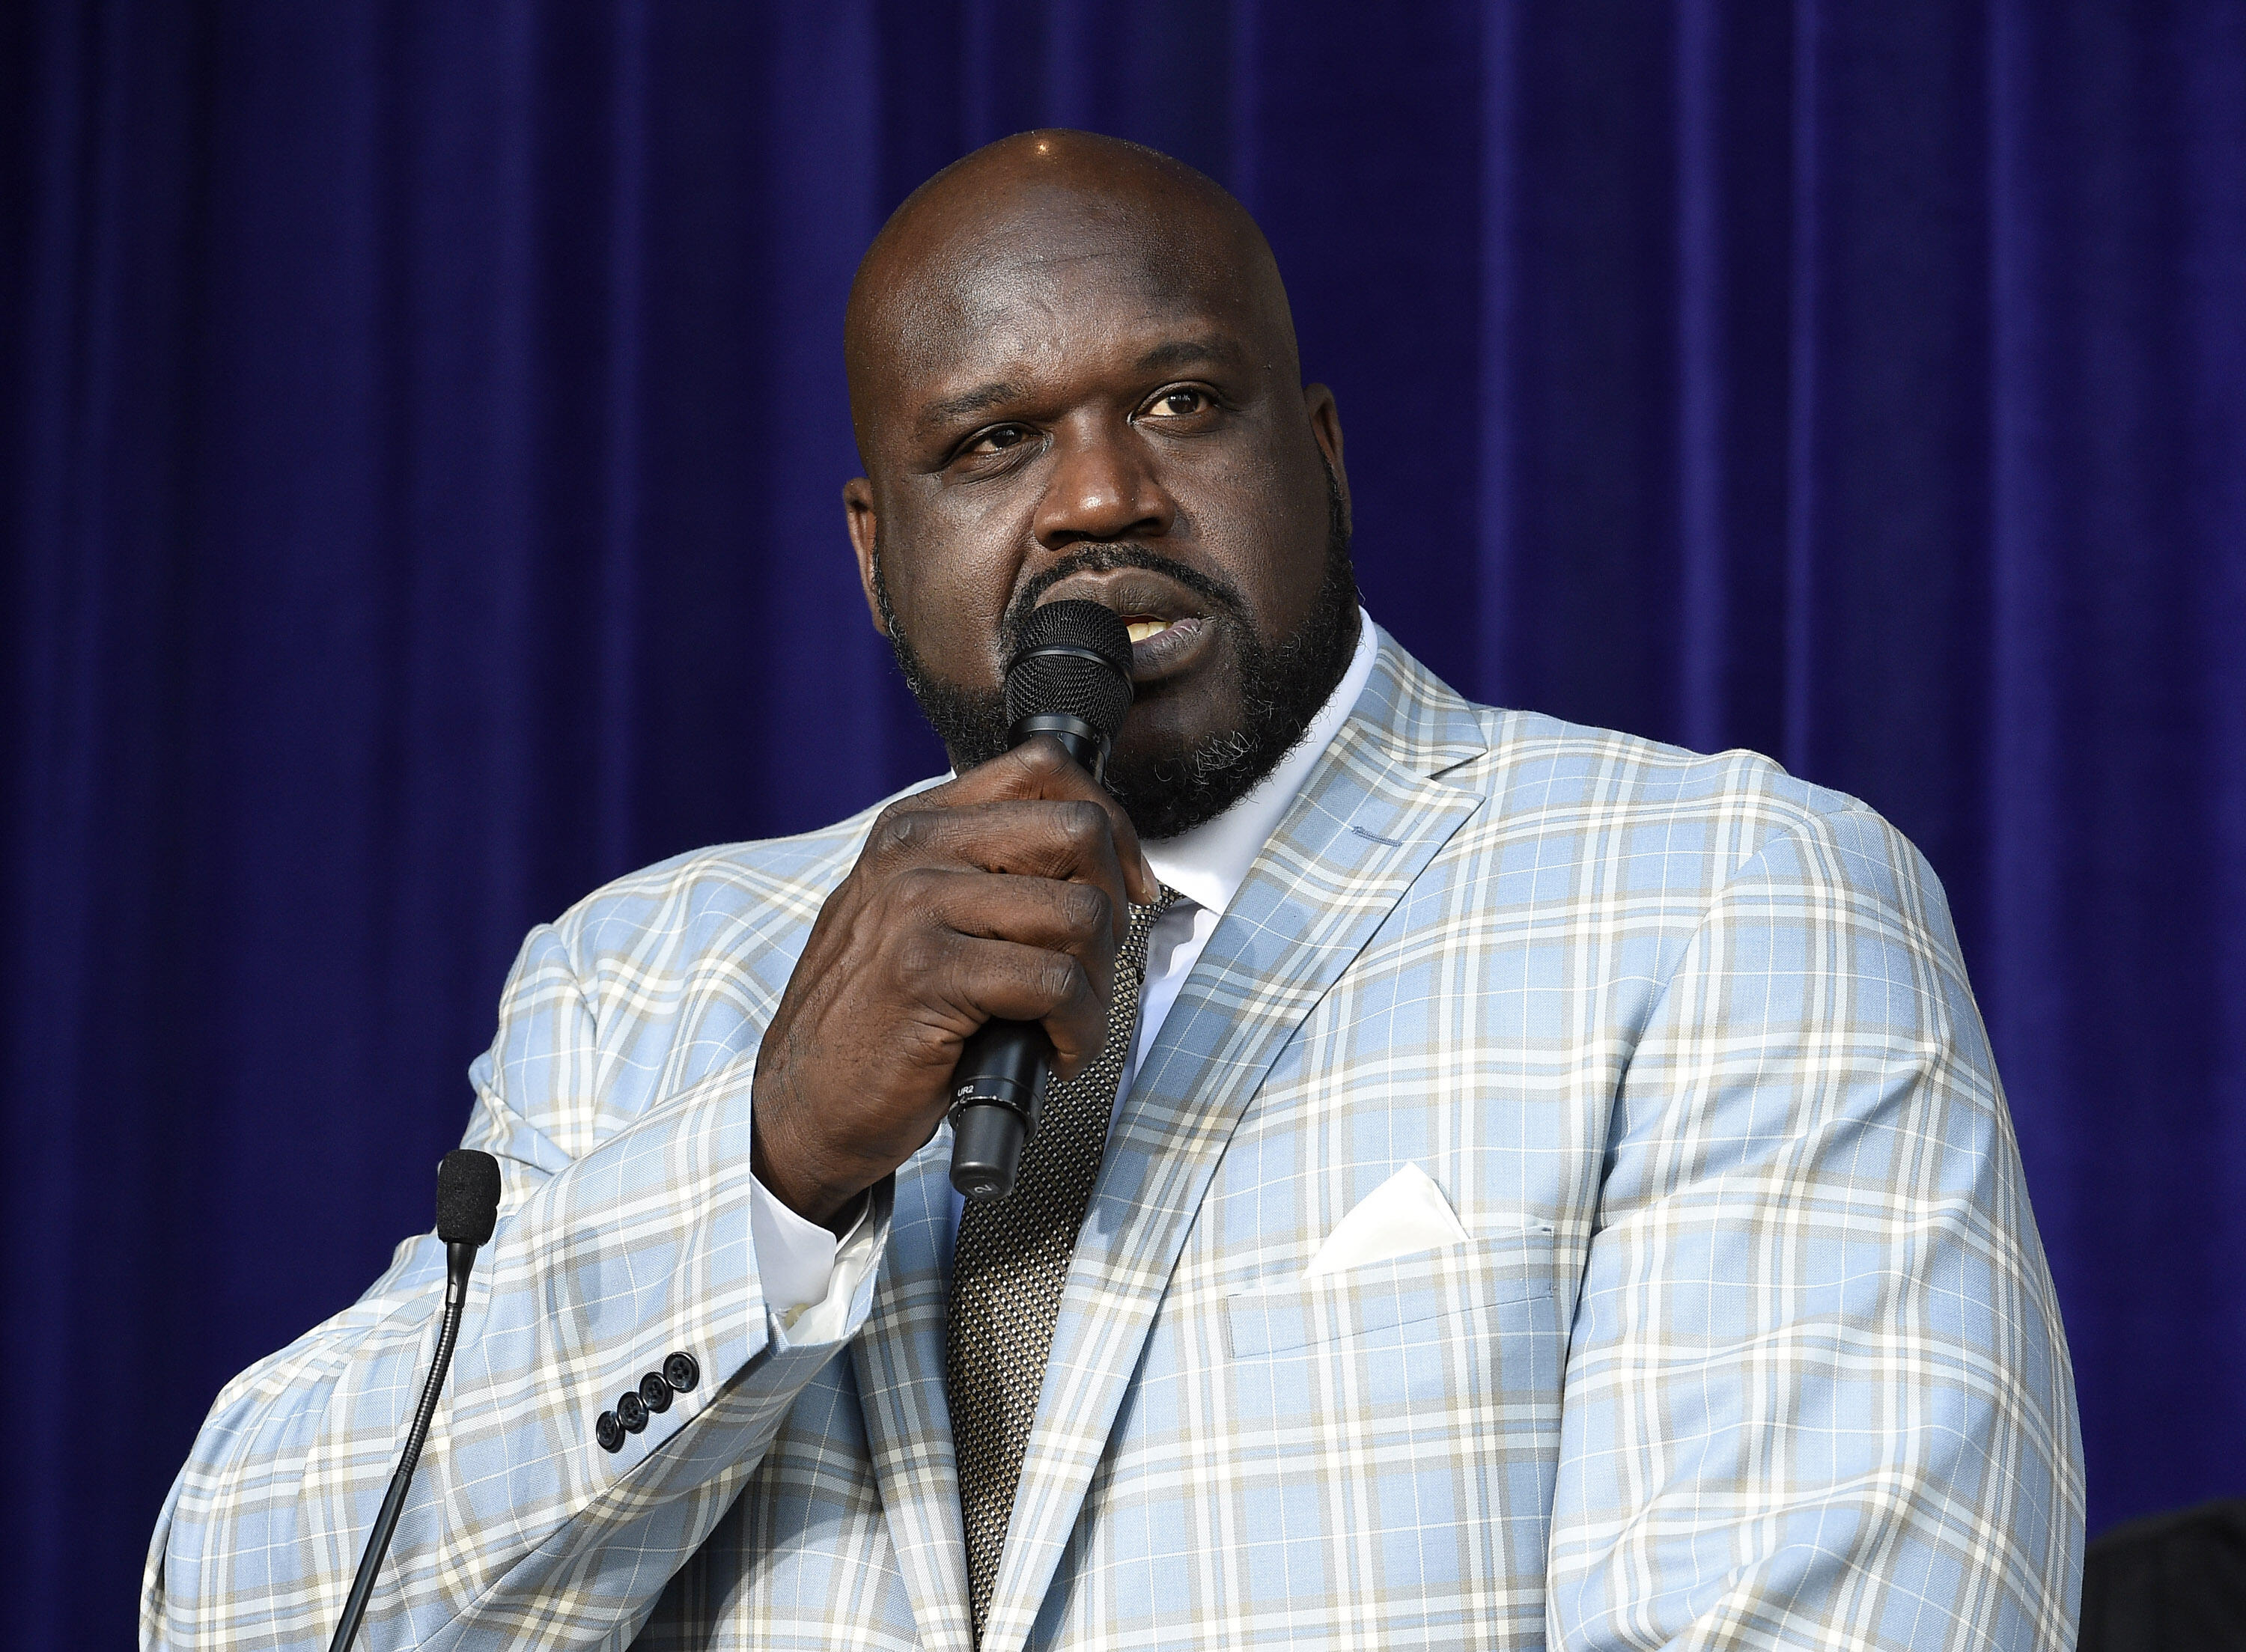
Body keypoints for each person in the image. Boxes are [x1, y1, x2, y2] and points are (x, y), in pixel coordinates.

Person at [144, 130, 2084, 1651]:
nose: (1094, 501)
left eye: (1178, 405)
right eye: (991, 444)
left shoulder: (1724, 907)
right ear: (875, 550)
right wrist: (761, 1169)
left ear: (1319, 456)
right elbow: (253, 1616)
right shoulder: (644, 981)